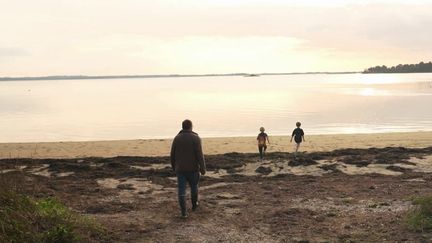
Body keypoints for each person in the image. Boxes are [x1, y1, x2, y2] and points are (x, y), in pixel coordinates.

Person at [170, 119, 206, 218]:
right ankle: (194, 205)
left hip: (180, 169)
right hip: (193, 169)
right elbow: (200, 155)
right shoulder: (196, 138)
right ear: (191, 127)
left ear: (182, 127)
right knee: (194, 187)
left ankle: (183, 212)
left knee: (181, 190)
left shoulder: (177, 138)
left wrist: (174, 166)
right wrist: (203, 168)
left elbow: (172, 154)